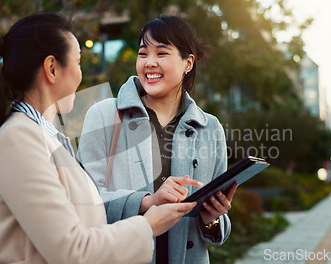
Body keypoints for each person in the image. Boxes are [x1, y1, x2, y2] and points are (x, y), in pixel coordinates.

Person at [0, 13, 196, 264]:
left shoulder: (47, 136)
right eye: (78, 62)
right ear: (52, 68)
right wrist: (148, 225)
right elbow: (72, 251)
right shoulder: (19, 139)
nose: (81, 74)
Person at [77, 16, 237, 264]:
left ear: (188, 63)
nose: (149, 63)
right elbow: (84, 201)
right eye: (143, 54)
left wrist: (213, 218)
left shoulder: (210, 128)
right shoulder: (104, 115)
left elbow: (218, 229)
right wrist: (147, 202)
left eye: (161, 53)